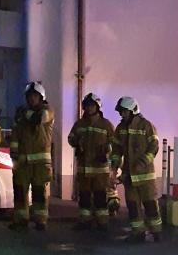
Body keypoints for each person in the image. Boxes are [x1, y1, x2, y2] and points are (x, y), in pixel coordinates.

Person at [111, 96, 162, 242]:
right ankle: (138, 233)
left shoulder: (146, 126)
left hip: (145, 175)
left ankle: (156, 232)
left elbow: (154, 147)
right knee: (133, 207)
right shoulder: (120, 128)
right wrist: (114, 167)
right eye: (121, 112)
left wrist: (143, 162)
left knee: (150, 204)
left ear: (133, 110)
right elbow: (116, 150)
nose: (122, 114)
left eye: (124, 111)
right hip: (129, 176)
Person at [9, 81, 54, 231]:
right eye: (30, 96)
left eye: (35, 96)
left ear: (41, 97)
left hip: (40, 163)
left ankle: (40, 220)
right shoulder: (21, 116)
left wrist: (24, 113)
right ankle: (21, 219)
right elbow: (15, 135)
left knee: (39, 193)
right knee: (20, 191)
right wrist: (14, 155)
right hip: (22, 161)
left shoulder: (47, 111)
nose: (32, 98)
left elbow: (38, 118)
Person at [67, 93, 115, 230]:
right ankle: (85, 220)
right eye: (87, 106)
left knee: (100, 196)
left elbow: (114, 142)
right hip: (83, 167)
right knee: (84, 196)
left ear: (97, 107)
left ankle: (102, 222)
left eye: (92, 106)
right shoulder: (79, 124)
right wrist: (76, 143)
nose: (89, 108)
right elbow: (71, 137)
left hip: (100, 168)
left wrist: (106, 151)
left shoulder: (106, 125)